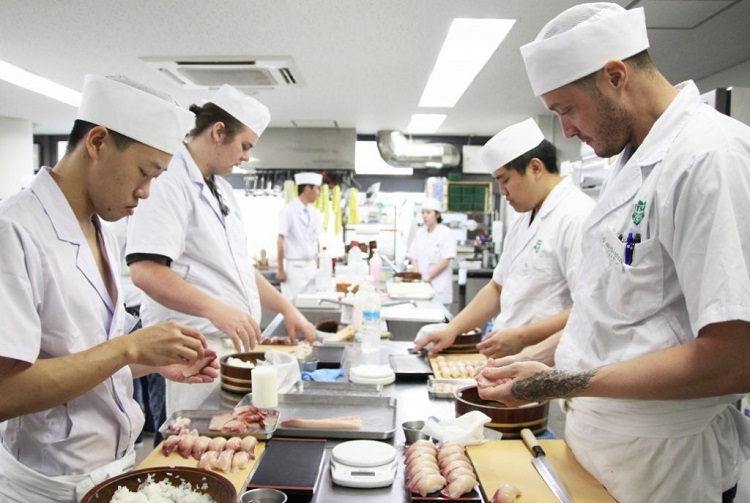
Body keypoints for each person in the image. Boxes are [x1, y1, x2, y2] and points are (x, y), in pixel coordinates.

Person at [477, 4, 750, 502]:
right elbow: (617, 316)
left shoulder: (709, 158)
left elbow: (735, 357)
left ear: (616, 75)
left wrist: (561, 383)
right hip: (602, 454)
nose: (568, 131)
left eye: (566, 110)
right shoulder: (630, 167)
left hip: (667, 469)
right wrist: (543, 363)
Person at [0, 75, 217, 502]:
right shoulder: (15, 231)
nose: (146, 192)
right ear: (97, 142)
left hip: (113, 471)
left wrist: (149, 362)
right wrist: (129, 350)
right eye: (143, 172)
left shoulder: (101, 230)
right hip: (49, 487)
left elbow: (78, 356)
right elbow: (5, 391)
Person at [127, 84, 317, 416]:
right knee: (185, 451)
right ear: (218, 132)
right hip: (186, 353)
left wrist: (287, 309)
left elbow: (240, 268)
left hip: (225, 353)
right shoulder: (168, 181)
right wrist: (216, 309)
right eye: (244, 146)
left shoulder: (224, 191)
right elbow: (145, 270)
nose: (246, 156)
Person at [414, 119, 594, 357]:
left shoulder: (577, 217)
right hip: (508, 362)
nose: (502, 191)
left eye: (504, 179)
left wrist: (522, 338)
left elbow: (587, 308)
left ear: (535, 168)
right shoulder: (524, 220)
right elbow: (497, 288)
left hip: (546, 365)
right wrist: (453, 328)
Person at [107, 217, 167, 447]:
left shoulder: (120, 228)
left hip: (136, 301)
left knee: (145, 371)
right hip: (130, 301)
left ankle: (144, 428)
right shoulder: (118, 228)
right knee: (138, 373)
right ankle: (144, 431)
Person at [277, 172, 324, 300]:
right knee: (293, 306)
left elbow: (317, 241)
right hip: (295, 270)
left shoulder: (315, 213)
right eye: (317, 189)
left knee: (311, 306)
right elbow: (280, 240)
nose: (319, 193)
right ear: (307, 189)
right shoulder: (288, 210)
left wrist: (319, 265)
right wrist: (280, 269)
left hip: (311, 268)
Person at [405, 197, 457, 305]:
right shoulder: (419, 234)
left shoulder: (446, 233)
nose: (425, 216)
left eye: (428, 212)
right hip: (422, 288)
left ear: (437, 214)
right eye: (423, 212)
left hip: (440, 287)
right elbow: (414, 257)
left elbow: (445, 261)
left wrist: (428, 277)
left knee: (440, 319)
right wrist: (418, 277)